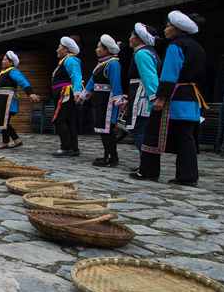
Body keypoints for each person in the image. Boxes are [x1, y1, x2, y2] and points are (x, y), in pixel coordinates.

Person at [132, 10, 206, 186]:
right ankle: (188, 176)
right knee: (186, 138)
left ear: (177, 29)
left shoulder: (175, 46)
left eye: (167, 26)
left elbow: (169, 74)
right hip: (192, 97)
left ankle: (148, 171)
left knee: (152, 132)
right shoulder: (198, 47)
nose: (165, 29)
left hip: (174, 97)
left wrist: (161, 97)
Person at [83, 34, 124, 167]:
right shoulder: (102, 64)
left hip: (108, 101)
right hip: (99, 100)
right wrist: (85, 94)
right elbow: (92, 80)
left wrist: (118, 99)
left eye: (99, 47)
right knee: (102, 130)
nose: (96, 49)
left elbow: (116, 83)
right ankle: (107, 155)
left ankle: (112, 158)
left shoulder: (113, 64)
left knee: (108, 130)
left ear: (106, 50)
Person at [124, 23, 160, 169]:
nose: (130, 38)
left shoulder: (142, 53)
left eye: (132, 35)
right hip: (141, 93)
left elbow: (149, 77)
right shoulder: (150, 52)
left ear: (140, 38)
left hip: (142, 96)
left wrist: (154, 98)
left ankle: (147, 165)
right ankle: (145, 164)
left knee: (140, 130)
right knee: (142, 130)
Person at [0, 51, 40, 149]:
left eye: (5, 59)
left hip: (8, 100)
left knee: (5, 121)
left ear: (11, 62)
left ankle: (6, 142)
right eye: (3, 59)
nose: (3, 61)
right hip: (1, 100)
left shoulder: (13, 71)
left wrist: (30, 93)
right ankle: (16, 140)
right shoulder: (2, 72)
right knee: (4, 122)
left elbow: (22, 81)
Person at [51, 36, 84, 157]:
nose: (57, 49)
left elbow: (77, 76)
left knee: (60, 120)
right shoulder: (65, 60)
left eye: (59, 47)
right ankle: (73, 148)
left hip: (65, 94)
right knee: (69, 120)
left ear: (66, 49)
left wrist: (77, 92)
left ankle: (66, 147)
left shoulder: (70, 60)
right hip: (63, 93)